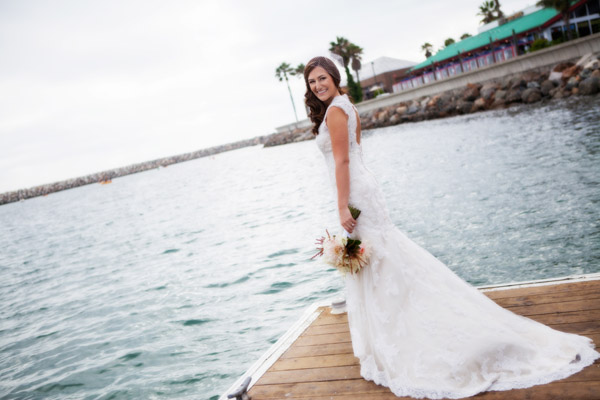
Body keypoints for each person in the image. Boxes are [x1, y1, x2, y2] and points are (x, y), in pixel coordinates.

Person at [303, 56, 599, 399]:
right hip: (363, 187)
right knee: (381, 257)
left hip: (354, 191)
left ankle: (403, 335)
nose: (317, 86)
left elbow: (342, 160)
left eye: (322, 78)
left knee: (378, 258)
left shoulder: (336, 111)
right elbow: (355, 155)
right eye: (312, 83)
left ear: (335, 77)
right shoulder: (346, 105)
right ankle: (396, 328)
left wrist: (342, 205)